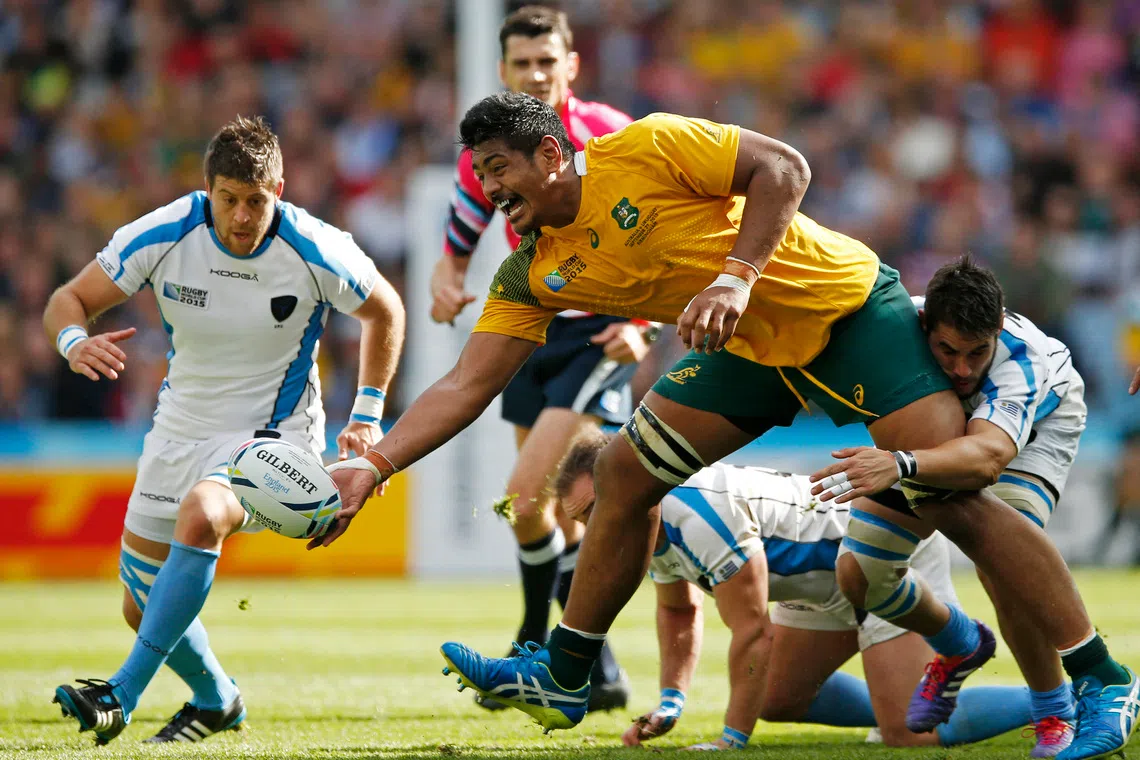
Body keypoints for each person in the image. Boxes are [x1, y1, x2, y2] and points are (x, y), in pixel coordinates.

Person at [326, 93, 1135, 760]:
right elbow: (467, 382)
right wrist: (376, 465)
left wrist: (737, 276)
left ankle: (1100, 677)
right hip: (750, 349)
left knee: (946, 488)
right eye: (482, 178)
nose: (492, 192)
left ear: (550, 155)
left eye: (499, 170)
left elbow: (786, 167)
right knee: (623, 472)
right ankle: (566, 673)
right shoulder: (532, 267)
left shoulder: (644, 148)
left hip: (844, 308)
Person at [45, 116, 405, 745]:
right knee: (141, 605)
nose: (241, 216)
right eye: (228, 200)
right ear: (207, 191)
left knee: (204, 511)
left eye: (256, 202)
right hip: (178, 429)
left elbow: (386, 310)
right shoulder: (165, 231)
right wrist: (74, 342)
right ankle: (218, 700)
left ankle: (121, 694)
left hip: (272, 438)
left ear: (280, 192)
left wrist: (367, 414)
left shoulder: (315, 246)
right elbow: (67, 300)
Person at [809, 257, 1127, 759]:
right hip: (932, 442)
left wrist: (902, 462)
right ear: (923, 325)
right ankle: (959, 642)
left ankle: (1054, 712)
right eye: (947, 351)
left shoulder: (1022, 361)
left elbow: (987, 458)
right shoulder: (894, 327)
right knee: (860, 576)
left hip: (1036, 432)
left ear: (998, 331)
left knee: (1002, 564)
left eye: (977, 353)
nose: (961, 368)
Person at [552, 431, 1032, 751]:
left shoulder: (691, 510)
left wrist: (730, 741)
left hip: (878, 552)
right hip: (824, 581)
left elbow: (753, 629)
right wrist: (672, 702)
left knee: (911, 735)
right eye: (580, 521)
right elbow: (679, 612)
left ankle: (1065, 699)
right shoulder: (642, 521)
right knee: (776, 699)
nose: (593, 532)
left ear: (624, 486)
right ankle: (894, 699)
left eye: (595, 512)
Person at [429, 5, 644, 711]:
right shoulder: (489, 148)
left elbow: (656, 229)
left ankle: (536, 646)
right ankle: (593, 665)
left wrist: (641, 322)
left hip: (599, 334)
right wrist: (448, 274)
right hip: (534, 329)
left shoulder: (607, 134)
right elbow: (466, 217)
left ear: (571, 66)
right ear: (503, 71)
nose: (537, 74)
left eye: (547, 61)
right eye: (523, 64)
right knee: (543, 510)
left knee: (532, 496)